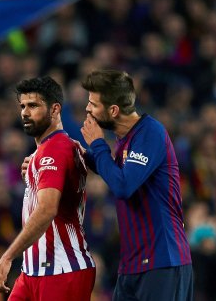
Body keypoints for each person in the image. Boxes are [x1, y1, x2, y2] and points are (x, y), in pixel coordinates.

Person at [79, 69, 193, 301]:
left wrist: (98, 144)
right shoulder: (126, 141)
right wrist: (75, 154)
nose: (87, 109)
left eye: (93, 104)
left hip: (163, 263)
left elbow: (123, 185)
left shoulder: (150, 132)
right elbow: (113, 172)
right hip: (132, 266)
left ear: (113, 110)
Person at [0, 76, 95, 300]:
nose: (25, 113)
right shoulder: (47, 151)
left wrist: (7, 257)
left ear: (55, 109)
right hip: (33, 270)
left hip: (62, 268)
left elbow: (48, 209)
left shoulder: (56, 149)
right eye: (22, 106)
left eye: (33, 105)